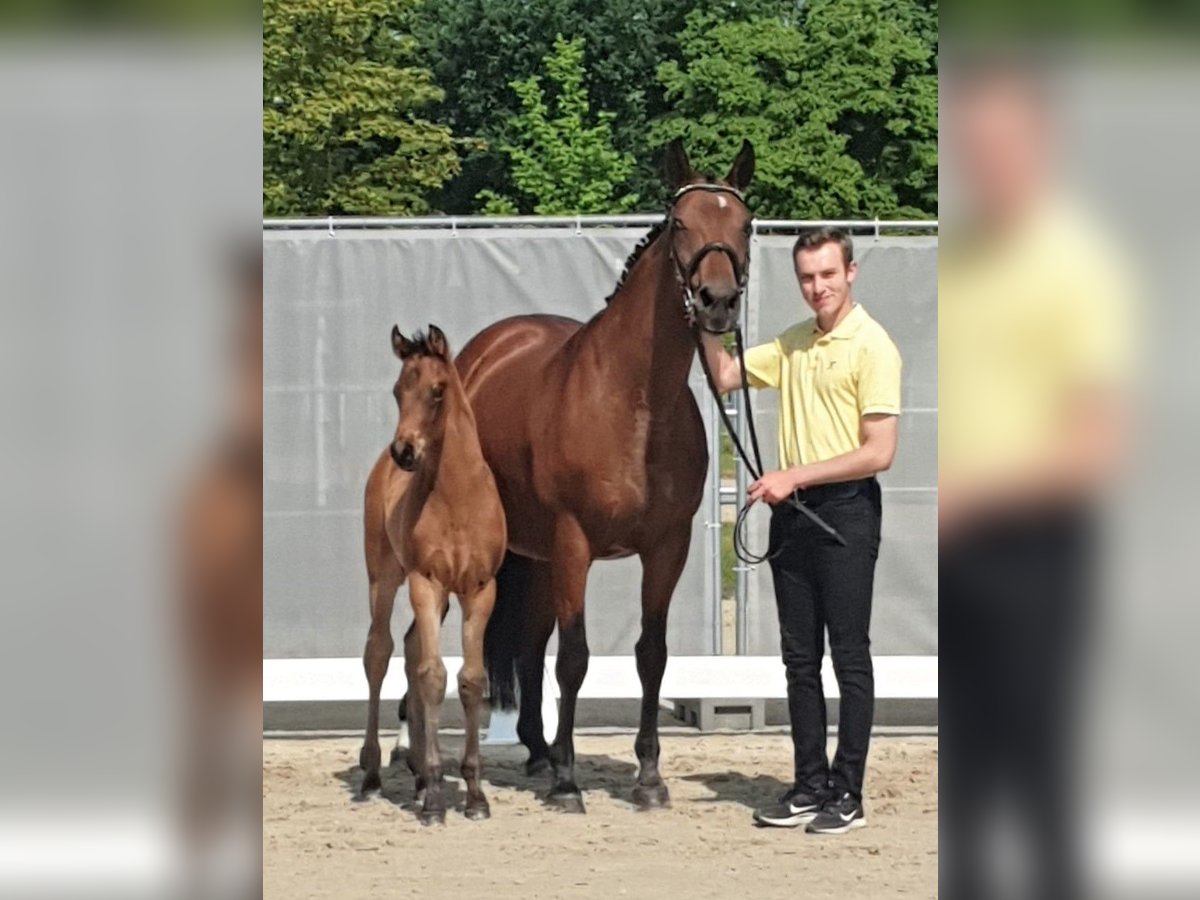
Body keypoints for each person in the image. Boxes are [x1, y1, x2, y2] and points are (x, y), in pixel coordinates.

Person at [700, 227, 902, 834]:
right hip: (794, 518)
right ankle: (810, 784)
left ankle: (849, 792)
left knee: (849, 656)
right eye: (808, 278)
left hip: (844, 513)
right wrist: (710, 315)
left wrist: (794, 475)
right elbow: (726, 376)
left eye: (827, 275)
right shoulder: (793, 344)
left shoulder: (873, 347)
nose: (818, 287)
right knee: (798, 660)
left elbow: (879, 451)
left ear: (851, 272)